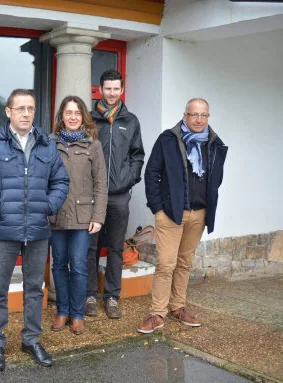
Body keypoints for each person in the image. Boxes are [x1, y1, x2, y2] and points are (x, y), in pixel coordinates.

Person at [0, 89, 69, 371]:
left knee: (34, 289)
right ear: (8, 112)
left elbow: (61, 181)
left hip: (37, 229)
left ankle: (31, 339)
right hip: (3, 229)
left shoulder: (47, 144)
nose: (26, 113)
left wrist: (49, 205)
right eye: (20, 108)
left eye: (31, 109)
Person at [137, 98, 227, 333]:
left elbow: (215, 180)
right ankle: (157, 313)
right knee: (166, 265)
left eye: (203, 115)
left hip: (199, 214)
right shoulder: (168, 139)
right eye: (194, 115)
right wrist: (158, 208)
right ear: (185, 115)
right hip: (170, 215)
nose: (198, 120)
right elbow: (152, 174)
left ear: (208, 117)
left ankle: (178, 307)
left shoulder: (215, 144)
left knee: (184, 263)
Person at [85, 70, 145, 319]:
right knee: (89, 246)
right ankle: (89, 295)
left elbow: (137, 155)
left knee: (116, 248)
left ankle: (111, 297)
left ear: (121, 90)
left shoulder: (130, 120)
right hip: (92, 195)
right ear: (100, 89)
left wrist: (128, 179)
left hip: (119, 195)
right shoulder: (89, 119)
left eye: (115, 89)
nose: (111, 93)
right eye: (107, 88)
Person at [49, 95, 107, 335]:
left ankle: (78, 314)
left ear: (83, 116)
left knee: (80, 266)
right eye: (68, 113)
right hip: (56, 215)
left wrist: (98, 216)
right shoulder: (50, 143)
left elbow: (100, 183)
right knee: (59, 265)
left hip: (84, 218)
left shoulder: (93, 145)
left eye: (76, 113)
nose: (72, 117)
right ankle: (62, 311)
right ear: (61, 117)